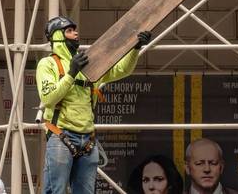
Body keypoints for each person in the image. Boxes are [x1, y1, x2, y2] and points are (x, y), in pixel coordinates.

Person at [37, 16, 152, 194]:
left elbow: (121, 70)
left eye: (75, 30)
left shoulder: (89, 64)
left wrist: (135, 50)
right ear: (57, 36)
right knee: (55, 191)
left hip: (88, 140)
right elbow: (48, 98)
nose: (75, 33)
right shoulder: (48, 64)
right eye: (69, 30)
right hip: (61, 136)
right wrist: (71, 74)